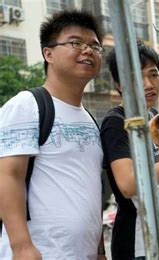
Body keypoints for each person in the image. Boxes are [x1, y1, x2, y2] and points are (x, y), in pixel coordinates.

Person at [0, 10, 105, 259]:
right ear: (48, 54)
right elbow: (7, 175)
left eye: (94, 45)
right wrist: (22, 246)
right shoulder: (27, 105)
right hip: (40, 253)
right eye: (75, 42)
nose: (88, 50)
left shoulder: (89, 119)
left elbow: (92, 188)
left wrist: (100, 250)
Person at [101, 43, 159, 258]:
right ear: (119, 84)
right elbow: (128, 185)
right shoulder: (116, 123)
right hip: (137, 247)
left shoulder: (156, 119)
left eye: (153, 74)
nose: (148, 84)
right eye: (136, 78)